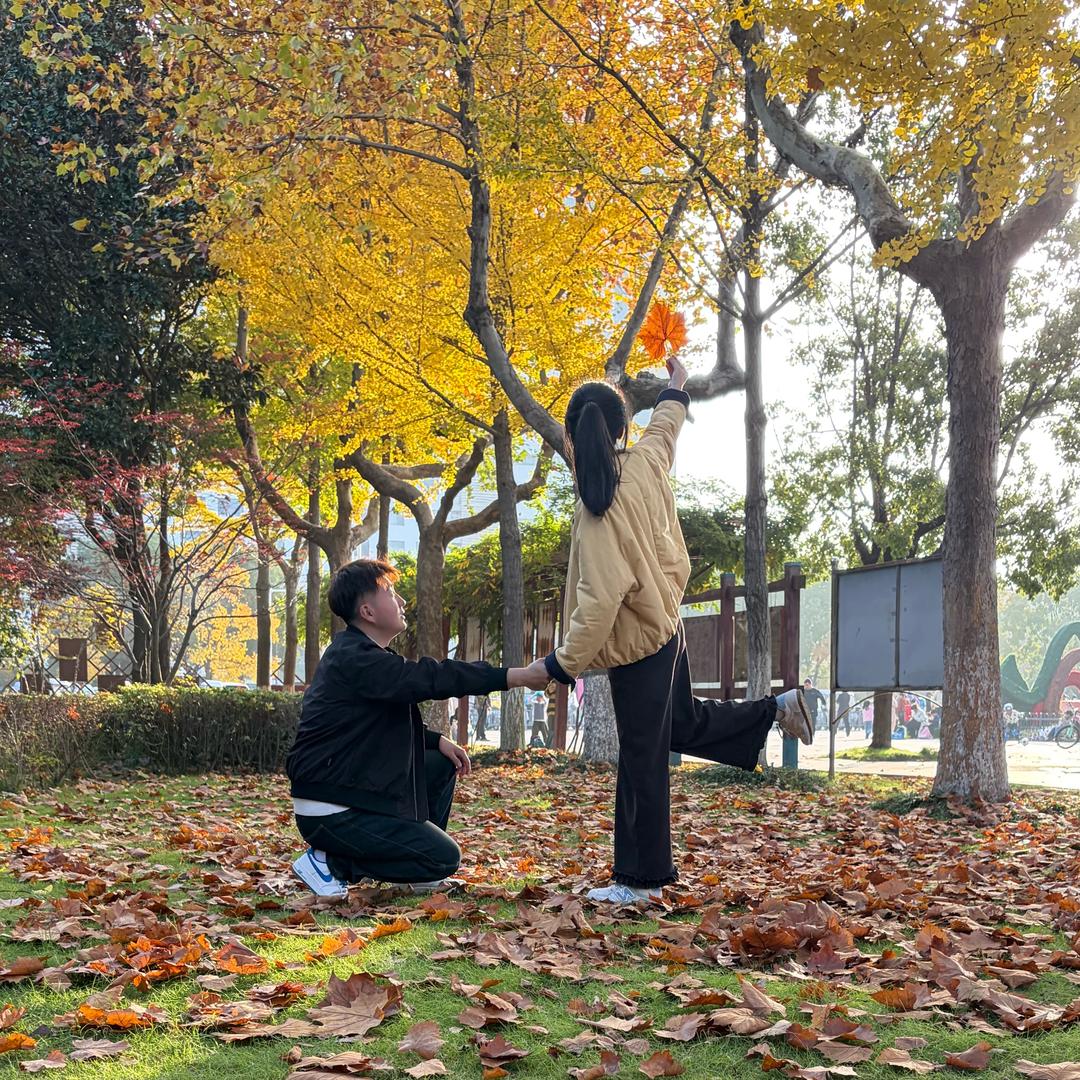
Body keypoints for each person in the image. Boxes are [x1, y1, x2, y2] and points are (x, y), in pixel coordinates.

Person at [518, 358, 813, 905]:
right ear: (621, 430)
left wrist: (562, 664)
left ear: (570, 435)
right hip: (665, 632)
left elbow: (601, 598)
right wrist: (675, 388)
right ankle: (777, 709)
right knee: (679, 725)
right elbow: (665, 429)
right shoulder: (647, 462)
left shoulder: (597, 505)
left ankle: (640, 880)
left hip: (636, 648)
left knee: (641, 757)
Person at [287, 558, 549, 899]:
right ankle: (332, 863)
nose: (401, 601)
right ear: (367, 611)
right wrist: (517, 676)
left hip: (346, 787)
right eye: (391, 592)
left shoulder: (360, 655)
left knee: (440, 762)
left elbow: (368, 727)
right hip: (332, 807)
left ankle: (418, 864)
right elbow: (433, 677)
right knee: (446, 858)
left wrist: (435, 740)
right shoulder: (356, 658)